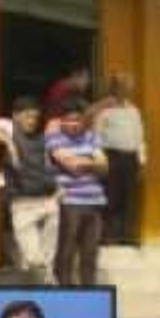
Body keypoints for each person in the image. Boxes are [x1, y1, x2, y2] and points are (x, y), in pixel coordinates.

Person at [0, 97, 62, 284]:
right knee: (29, 251)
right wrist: (9, 142)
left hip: (45, 199)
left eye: (35, 118)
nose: (32, 121)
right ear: (16, 115)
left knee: (46, 254)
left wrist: (57, 189)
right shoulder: (8, 126)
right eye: (27, 117)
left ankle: (43, 279)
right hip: (16, 196)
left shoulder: (40, 139)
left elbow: (47, 166)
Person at [46, 96, 109, 285]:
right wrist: (91, 162)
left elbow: (105, 166)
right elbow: (70, 164)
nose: (74, 124)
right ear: (61, 120)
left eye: (78, 120)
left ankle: (89, 291)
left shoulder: (91, 136)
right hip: (69, 201)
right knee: (67, 250)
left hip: (95, 201)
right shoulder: (53, 138)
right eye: (69, 120)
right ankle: (65, 290)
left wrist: (84, 162)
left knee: (90, 252)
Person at [95, 73, 146, 246]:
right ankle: (109, 236)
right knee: (111, 197)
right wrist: (100, 158)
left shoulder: (134, 110)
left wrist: (142, 161)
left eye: (129, 86)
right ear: (115, 88)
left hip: (131, 158)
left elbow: (139, 137)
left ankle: (128, 237)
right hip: (111, 157)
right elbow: (97, 135)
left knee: (130, 197)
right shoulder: (104, 109)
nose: (128, 89)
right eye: (124, 86)